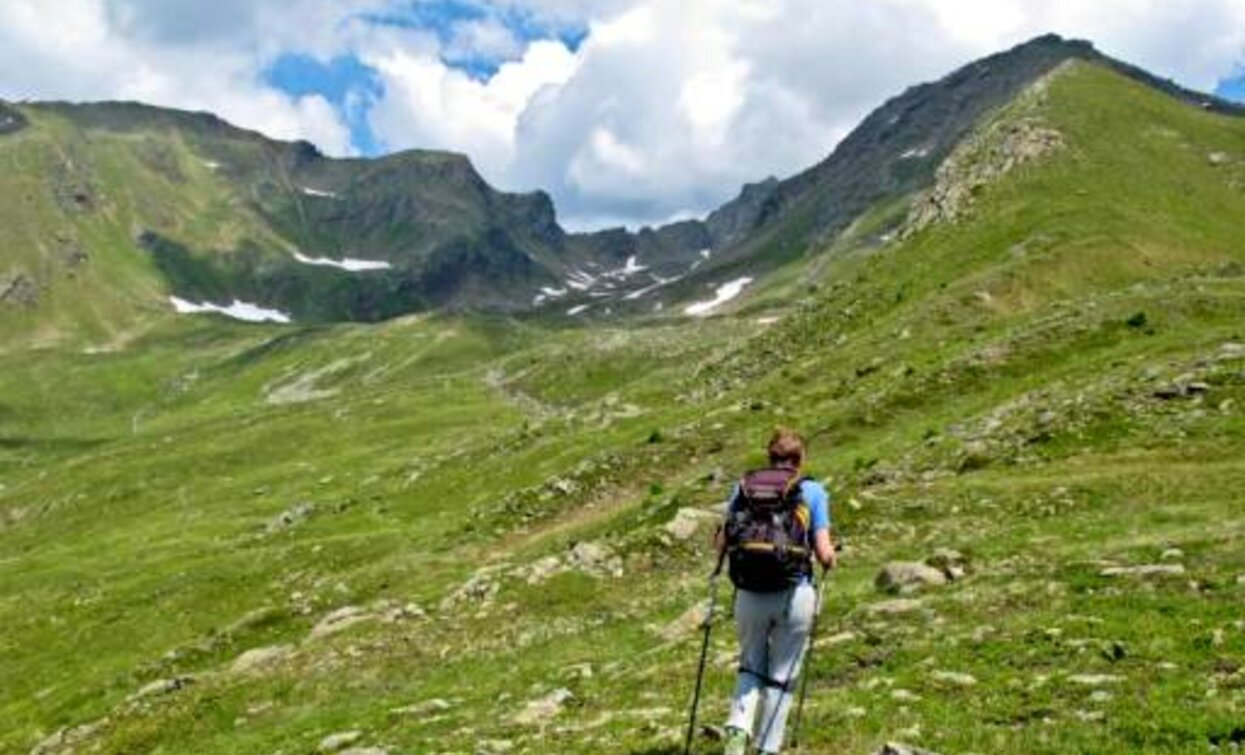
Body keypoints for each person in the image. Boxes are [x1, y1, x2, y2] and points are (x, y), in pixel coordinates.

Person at [715, 428, 836, 755]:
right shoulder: (812, 491)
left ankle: (737, 734)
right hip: (794, 594)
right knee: (781, 675)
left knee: (750, 665)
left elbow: (722, 541)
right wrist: (831, 557)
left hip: (749, 594)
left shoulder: (743, 488)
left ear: (770, 458)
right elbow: (824, 552)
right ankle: (767, 748)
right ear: (800, 460)